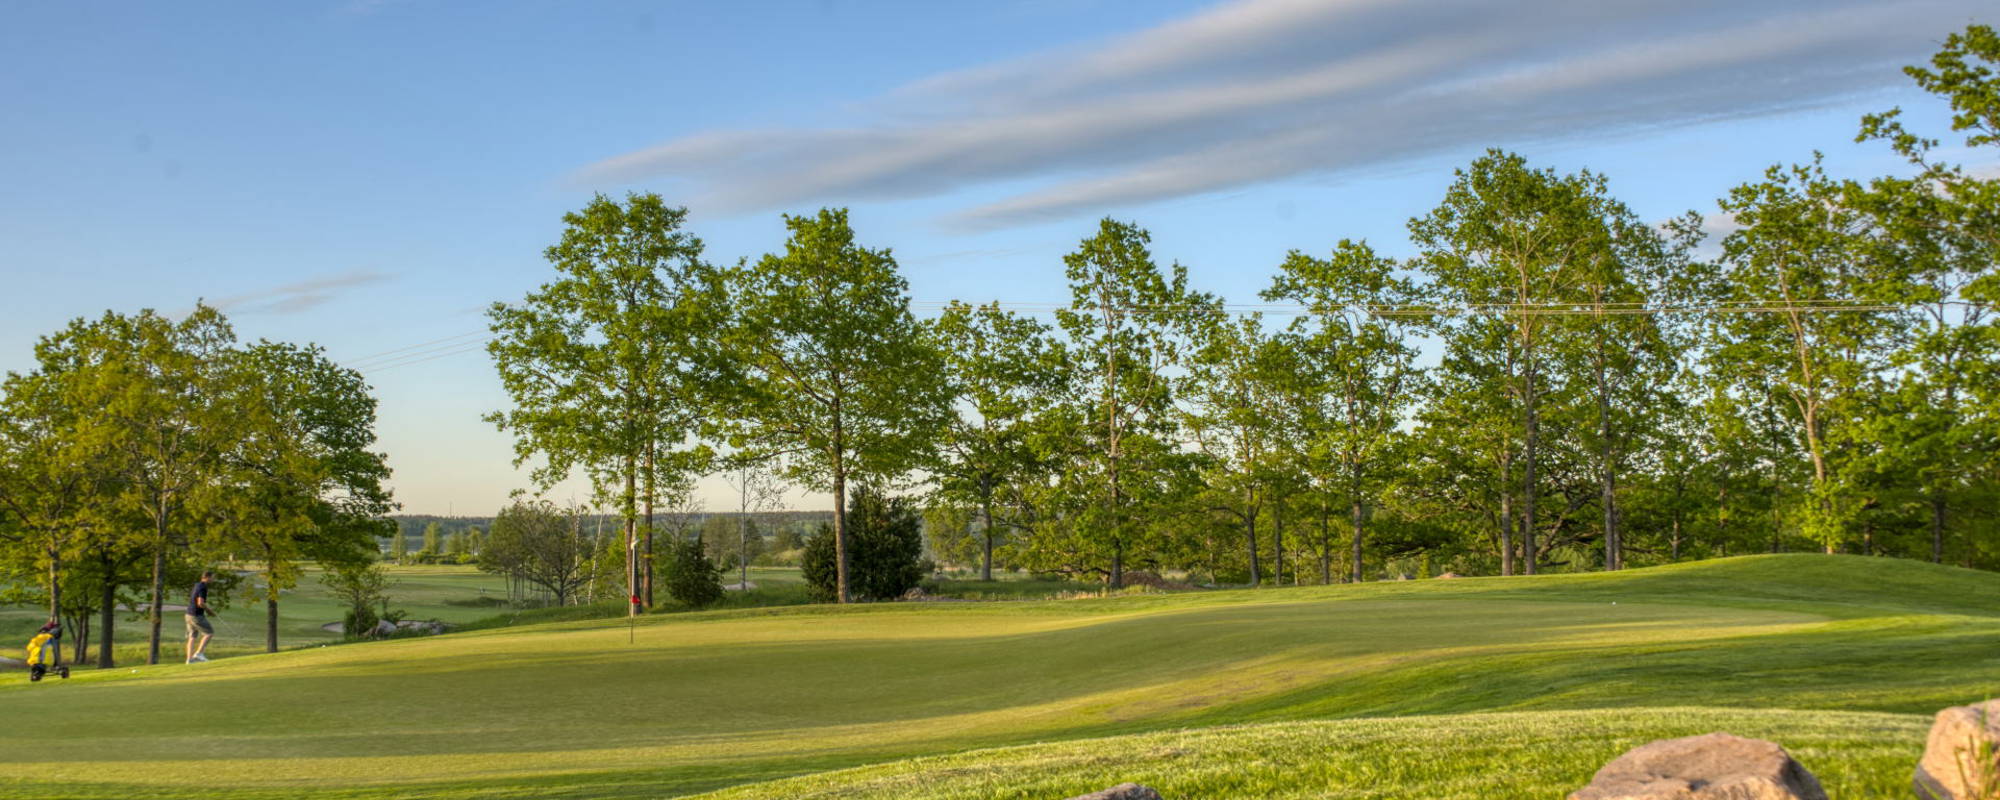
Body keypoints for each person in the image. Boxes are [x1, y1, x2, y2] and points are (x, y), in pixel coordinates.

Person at [185, 570, 216, 663]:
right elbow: (200, 603)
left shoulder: (197, 585)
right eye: (213, 577)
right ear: (207, 577)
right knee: (209, 633)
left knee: (192, 636)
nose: (213, 579)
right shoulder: (203, 587)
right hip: (196, 615)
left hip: (188, 614)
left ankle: (189, 659)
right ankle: (199, 653)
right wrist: (209, 611)